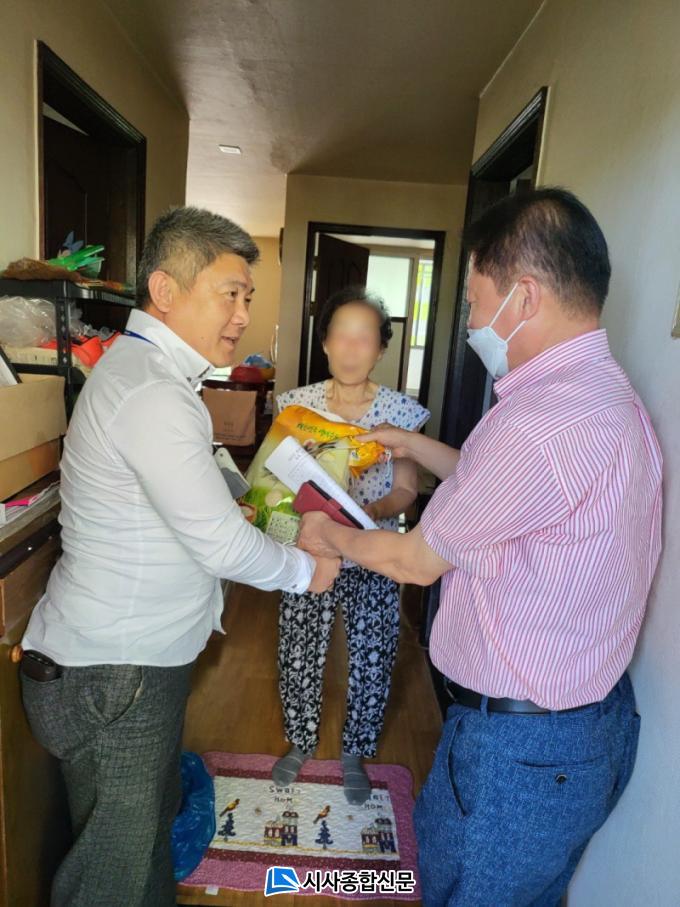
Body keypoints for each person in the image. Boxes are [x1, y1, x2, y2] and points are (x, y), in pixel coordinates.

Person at [297, 188, 662, 906]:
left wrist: (327, 533)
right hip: (583, 728)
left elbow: (414, 560)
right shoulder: (603, 395)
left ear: (523, 296)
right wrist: (413, 447)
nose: (469, 321)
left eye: (473, 301)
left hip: (518, 755)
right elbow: (509, 494)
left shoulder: (536, 422)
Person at [19, 207, 339, 907]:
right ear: (165, 290)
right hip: (116, 671)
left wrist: (251, 511)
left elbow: (196, 498)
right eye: (230, 293)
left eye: (248, 296)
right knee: (113, 876)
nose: (243, 315)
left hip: (129, 662)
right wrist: (306, 571)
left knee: (139, 851)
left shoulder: (153, 376)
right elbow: (219, 542)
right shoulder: (151, 390)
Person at [272, 286, 430, 804]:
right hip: (311, 547)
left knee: (373, 649)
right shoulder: (296, 405)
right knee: (299, 644)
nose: (351, 348)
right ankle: (300, 740)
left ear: (381, 349)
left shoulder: (400, 414)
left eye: (364, 338)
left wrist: (368, 515)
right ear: (325, 343)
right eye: (341, 335)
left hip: (374, 549)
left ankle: (355, 751)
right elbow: (275, 479)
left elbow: (406, 491)